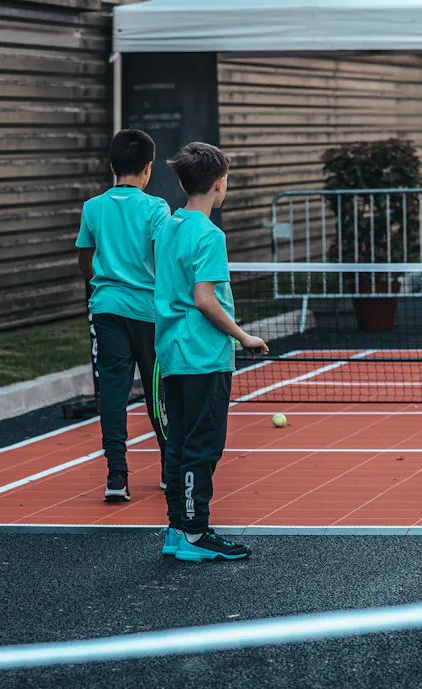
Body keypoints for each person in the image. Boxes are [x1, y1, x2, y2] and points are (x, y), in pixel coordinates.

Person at [154, 142, 268, 562]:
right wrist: (243, 336)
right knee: (203, 446)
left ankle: (178, 529)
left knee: (179, 444)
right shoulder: (210, 235)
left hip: (172, 353)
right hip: (202, 355)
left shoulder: (168, 226)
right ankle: (195, 532)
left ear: (183, 183)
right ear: (220, 183)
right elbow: (204, 299)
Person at [77, 129, 170, 502]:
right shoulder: (157, 208)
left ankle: (117, 476)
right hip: (149, 314)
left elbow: (85, 259)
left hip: (107, 311)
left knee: (113, 394)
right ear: (148, 168)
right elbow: (162, 261)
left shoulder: (92, 207)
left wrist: (103, 282)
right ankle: (169, 466)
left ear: (112, 165)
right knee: (158, 390)